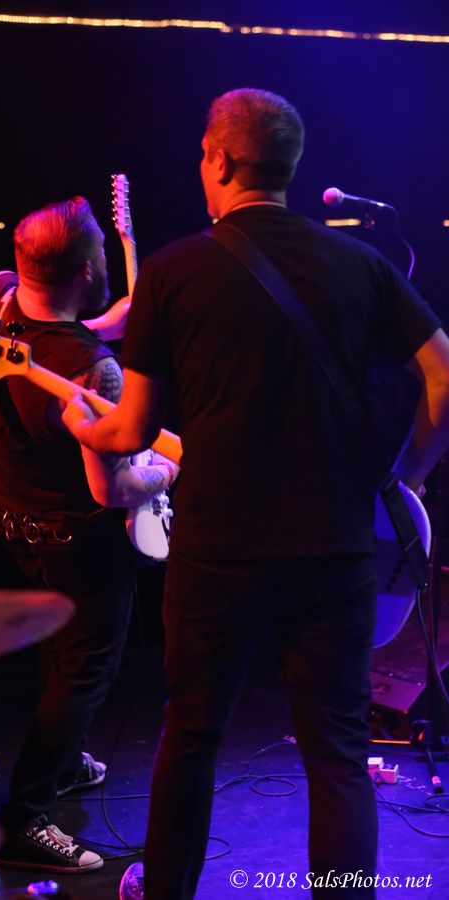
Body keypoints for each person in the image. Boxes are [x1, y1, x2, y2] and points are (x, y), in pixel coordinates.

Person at [62, 89, 449, 899]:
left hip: (220, 552)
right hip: (336, 547)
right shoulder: (361, 265)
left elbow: (132, 429)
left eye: (204, 155)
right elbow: (443, 375)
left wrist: (81, 423)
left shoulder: (173, 272)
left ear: (222, 160)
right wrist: (409, 472)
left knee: (191, 738)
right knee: (337, 756)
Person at [0, 196, 178, 875]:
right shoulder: (91, 371)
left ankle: (64, 758)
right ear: (88, 268)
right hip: (78, 544)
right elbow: (112, 489)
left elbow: (49, 338)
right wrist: (169, 468)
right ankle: (26, 819)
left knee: (59, 652)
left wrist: (102, 326)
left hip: (12, 523)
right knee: (85, 669)